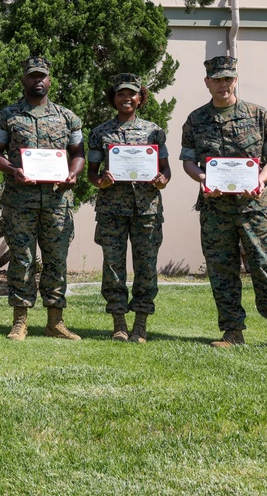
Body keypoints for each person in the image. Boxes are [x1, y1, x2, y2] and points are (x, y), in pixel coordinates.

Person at [180, 55, 267, 356]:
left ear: (236, 80)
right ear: (207, 82)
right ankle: (232, 331)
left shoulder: (259, 115)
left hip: (255, 207)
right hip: (215, 209)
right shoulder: (196, 120)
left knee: (265, 268)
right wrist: (203, 179)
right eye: (217, 79)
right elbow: (188, 161)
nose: (223, 84)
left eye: (228, 78)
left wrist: (260, 179)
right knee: (222, 271)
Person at [0, 56, 86, 341]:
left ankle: (55, 321)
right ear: (24, 79)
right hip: (21, 201)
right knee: (22, 259)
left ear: (50, 80)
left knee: (57, 260)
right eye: (32, 76)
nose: (38, 81)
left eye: (42, 76)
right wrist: (13, 170)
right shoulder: (8, 115)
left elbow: (78, 153)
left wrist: (73, 174)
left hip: (57, 201)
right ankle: (20, 321)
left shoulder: (67, 117)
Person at [87, 73, 170, 343]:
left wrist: (162, 179)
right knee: (113, 267)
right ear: (114, 98)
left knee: (146, 267)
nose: (127, 98)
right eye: (121, 94)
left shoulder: (154, 131)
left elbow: (165, 168)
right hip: (112, 210)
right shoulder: (100, 133)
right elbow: (92, 172)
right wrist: (101, 181)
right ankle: (119, 323)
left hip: (147, 209)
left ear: (140, 98)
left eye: (132, 93)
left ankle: (141, 325)